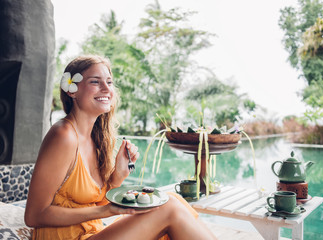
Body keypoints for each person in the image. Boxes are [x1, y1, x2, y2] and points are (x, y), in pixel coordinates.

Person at [24, 55, 216, 240]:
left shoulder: (96, 139)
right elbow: (34, 215)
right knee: (170, 207)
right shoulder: (63, 136)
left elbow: (95, 202)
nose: (106, 88)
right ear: (72, 90)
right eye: (95, 82)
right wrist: (104, 211)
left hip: (93, 233)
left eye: (109, 81)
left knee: (171, 200)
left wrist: (118, 176)